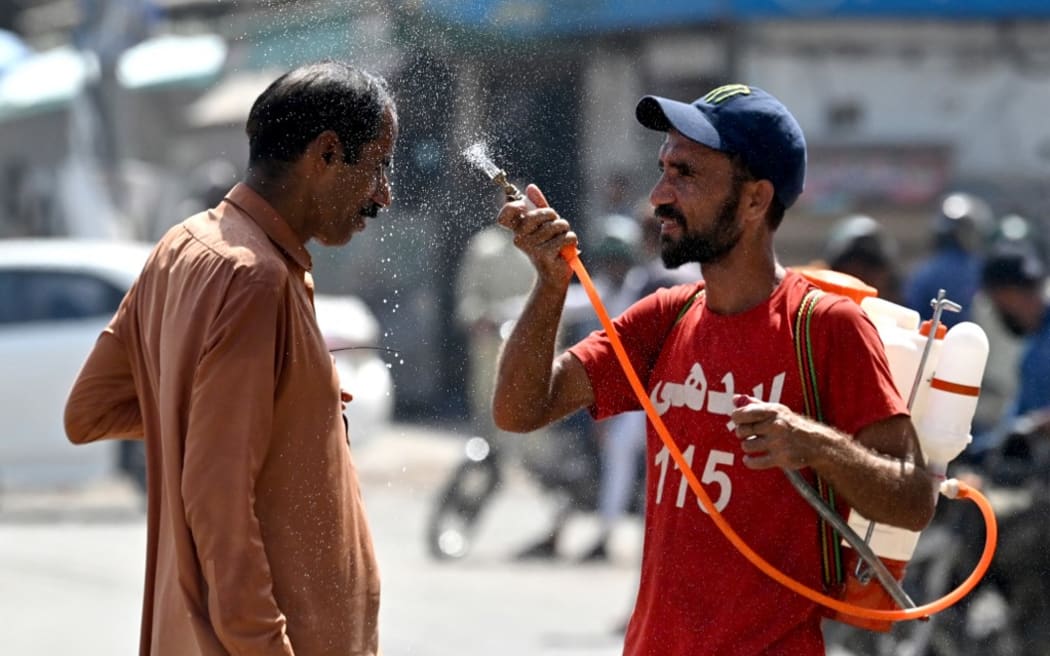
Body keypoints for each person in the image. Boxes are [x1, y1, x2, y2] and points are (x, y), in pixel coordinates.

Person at [492, 83, 935, 654]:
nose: (658, 196)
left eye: (686, 174)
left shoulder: (827, 328)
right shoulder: (665, 319)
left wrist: (816, 446)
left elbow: (914, 498)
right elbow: (520, 409)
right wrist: (550, 284)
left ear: (754, 200)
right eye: (663, 170)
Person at [64, 60, 397, 656]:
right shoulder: (254, 278)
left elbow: (91, 409)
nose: (383, 195)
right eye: (377, 165)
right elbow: (218, 499)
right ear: (325, 154)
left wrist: (278, 413)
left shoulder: (184, 244)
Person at [978, 240, 1050, 438]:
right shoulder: (1032, 347)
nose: (1032, 299)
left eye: (1032, 290)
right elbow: (1015, 420)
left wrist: (1037, 424)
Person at [904, 191, 994, 326]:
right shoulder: (980, 269)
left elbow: (912, 317)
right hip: (973, 343)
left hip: (930, 343)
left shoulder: (923, 272)